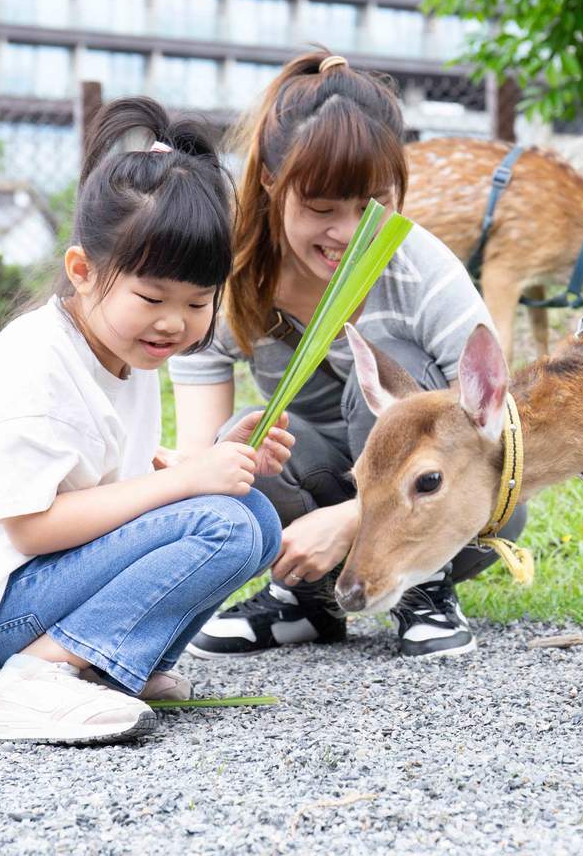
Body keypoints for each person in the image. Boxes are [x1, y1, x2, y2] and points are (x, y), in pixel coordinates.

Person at [0, 97, 294, 744]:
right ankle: (33, 677)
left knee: (254, 517)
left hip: (37, 587)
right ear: (82, 271)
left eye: (197, 301)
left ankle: (112, 665)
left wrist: (210, 458)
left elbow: (113, 480)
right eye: (151, 296)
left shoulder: (124, 351)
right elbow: (30, 527)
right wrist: (184, 483)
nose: (174, 321)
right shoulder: (34, 363)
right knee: (220, 523)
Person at [172, 50, 527, 661]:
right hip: (319, 481)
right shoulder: (229, 280)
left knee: (387, 359)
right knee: (241, 441)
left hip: (442, 505)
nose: (347, 233)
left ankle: (426, 591)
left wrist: (349, 521)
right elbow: (201, 459)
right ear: (270, 185)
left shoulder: (423, 273)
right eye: (320, 209)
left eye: (370, 205)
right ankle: (306, 599)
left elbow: (508, 437)